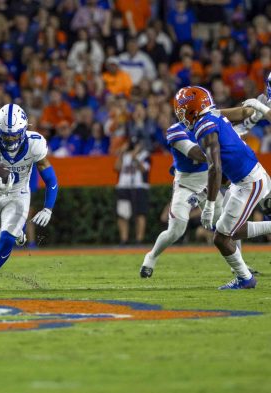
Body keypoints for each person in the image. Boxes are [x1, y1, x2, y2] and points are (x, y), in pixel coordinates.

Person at [174, 86, 271, 289]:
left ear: (193, 108)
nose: (180, 114)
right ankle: (245, 278)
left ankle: (245, 279)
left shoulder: (203, 126)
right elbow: (243, 114)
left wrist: (209, 205)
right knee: (228, 232)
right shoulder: (213, 115)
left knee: (221, 237)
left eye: (182, 109)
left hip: (249, 181)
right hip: (243, 178)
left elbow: (215, 167)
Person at [0, 104, 58, 293]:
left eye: (14, 135)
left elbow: (50, 178)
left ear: (24, 129)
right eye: (6, 135)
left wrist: (47, 207)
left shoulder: (35, 143)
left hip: (19, 195)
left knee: (7, 239)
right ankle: (17, 233)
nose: (10, 139)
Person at [140, 122, 222, 277]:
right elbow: (195, 153)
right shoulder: (175, 130)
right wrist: (221, 150)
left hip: (209, 182)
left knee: (228, 224)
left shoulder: (211, 123)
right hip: (186, 184)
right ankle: (151, 256)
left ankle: (241, 269)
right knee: (176, 230)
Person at [115, 136, 150, 245]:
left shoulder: (145, 155)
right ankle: (124, 239)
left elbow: (144, 169)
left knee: (140, 213)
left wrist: (135, 157)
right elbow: (117, 168)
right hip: (124, 186)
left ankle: (139, 239)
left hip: (139, 186)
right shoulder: (124, 156)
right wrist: (121, 153)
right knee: (122, 213)